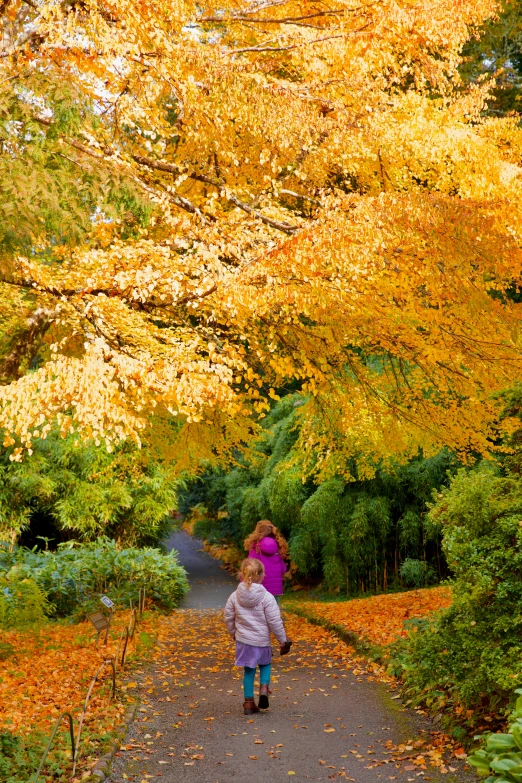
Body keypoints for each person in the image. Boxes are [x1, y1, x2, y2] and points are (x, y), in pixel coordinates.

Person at [224, 558, 292, 715]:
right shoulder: (267, 597)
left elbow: (228, 616)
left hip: (244, 641)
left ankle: (248, 703)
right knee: (265, 664)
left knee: (248, 670)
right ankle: (263, 687)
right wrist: (282, 640)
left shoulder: (235, 596)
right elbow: (275, 621)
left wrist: (233, 633)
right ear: (262, 576)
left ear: (242, 574)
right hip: (261, 640)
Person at [244, 520, 288, 601]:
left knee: (260, 612)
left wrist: (244, 582)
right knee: (273, 612)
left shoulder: (256, 547)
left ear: (258, 531)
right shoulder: (277, 547)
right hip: (276, 590)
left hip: (260, 589)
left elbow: (251, 568)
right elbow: (283, 569)